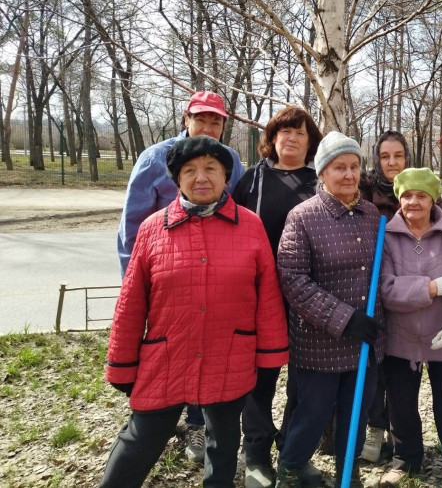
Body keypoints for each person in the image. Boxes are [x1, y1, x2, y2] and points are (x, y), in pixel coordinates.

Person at [100, 136, 289, 488]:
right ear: (177, 179)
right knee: (140, 438)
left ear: (225, 176)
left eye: (211, 169)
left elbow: (268, 295)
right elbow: (131, 304)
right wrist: (122, 364)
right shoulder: (152, 229)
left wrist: (271, 355)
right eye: (190, 170)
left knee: (224, 440)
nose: (201, 178)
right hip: (167, 354)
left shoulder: (250, 225)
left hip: (230, 352)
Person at [116, 90, 245, 461]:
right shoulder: (155, 159)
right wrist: (134, 285)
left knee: (206, 347)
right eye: (200, 118)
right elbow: (131, 228)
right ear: (185, 119)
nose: (207, 126)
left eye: (216, 120)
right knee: (167, 351)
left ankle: (197, 425)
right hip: (164, 275)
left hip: (212, 272)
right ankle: (155, 417)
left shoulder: (231, 159)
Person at [275, 131, 383, 488]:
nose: (349, 175)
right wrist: (344, 318)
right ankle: (289, 471)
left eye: (354, 166)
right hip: (319, 344)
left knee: (356, 415)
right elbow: (294, 280)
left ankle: (347, 476)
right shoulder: (303, 217)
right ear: (322, 173)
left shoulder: (371, 215)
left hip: (366, 340)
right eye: (340, 167)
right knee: (313, 413)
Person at [232, 107, 323, 488]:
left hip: (309, 297)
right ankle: (255, 453)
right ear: (271, 138)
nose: (291, 138)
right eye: (283, 131)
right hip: (261, 295)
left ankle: (293, 453)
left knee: (303, 379)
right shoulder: (252, 181)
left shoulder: (322, 180)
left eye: (300, 133)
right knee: (261, 376)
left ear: (310, 141)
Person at [378, 168, 442, 488]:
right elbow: (388, 290)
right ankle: (406, 460)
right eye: (407, 195)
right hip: (401, 338)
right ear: (399, 198)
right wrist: (433, 287)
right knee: (400, 403)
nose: (413, 202)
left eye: (421, 195)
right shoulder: (388, 237)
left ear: (433, 198)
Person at [357, 130, 442, 463]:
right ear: (377, 159)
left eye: (398, 155)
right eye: (385, 156)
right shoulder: (365, 190)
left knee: (402, 372)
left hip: (416, 291)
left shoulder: (422, 187)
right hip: (373, 284)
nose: (392, 162)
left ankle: (432, 449)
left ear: (406, 157)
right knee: (379, 366)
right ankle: (376, 427)